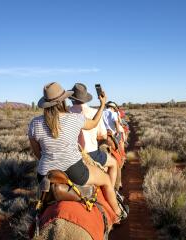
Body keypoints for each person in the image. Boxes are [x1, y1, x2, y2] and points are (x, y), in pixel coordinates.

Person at [28, 82, 126, 221]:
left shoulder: (34, 123)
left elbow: (38, 154)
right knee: (105, 180)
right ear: (62, 100)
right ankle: (117, 214)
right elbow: (93, 123)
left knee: (41, 204)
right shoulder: (74, 119)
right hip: (74, 170)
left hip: (45, 174)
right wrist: (102, 104)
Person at [68, 83, 118, 188]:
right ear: (85, 98)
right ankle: (112, 190)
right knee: (114, 163)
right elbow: (103, 136)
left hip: (72, 155)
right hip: (91, 154)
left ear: (72, 98)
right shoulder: (94, 112)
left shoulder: (67, 113)